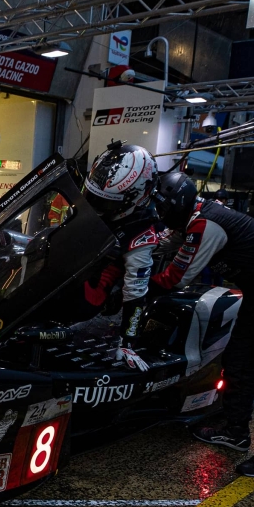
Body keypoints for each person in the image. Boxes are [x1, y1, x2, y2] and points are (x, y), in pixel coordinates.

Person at [150, 171, 254, 477]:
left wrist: (139, 287)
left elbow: (177, 277)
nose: (159, 213)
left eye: (162, 208)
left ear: (176, 205)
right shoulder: (192, 218)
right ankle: (235, 431)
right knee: (238, 360)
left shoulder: (205, 223)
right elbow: (161, 243)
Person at [82, 142, 163, 372]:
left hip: (95, 288)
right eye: (92, 196)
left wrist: (128, 343)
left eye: (105, 202)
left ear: (135, 198)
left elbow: (136, 293)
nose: (96, 207)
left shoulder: (141, 233)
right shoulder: (100, 185)